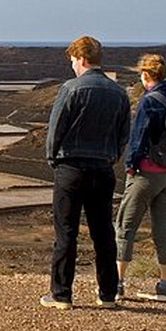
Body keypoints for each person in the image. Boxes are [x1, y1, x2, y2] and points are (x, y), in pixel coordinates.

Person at [42, 35, 130, 309]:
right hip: (103, 169)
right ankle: (108, 294)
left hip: (72, 168)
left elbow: (55, 131)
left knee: (66, 232)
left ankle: (61, 294)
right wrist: (110, 157)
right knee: (103, 232)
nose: (71, 65)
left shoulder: (71, 89)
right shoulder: (119, 92)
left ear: (80, 59)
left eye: (72, 60)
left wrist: (54, 160)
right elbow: (123, 133)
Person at [115, 54, 166, 303]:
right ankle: (165, 287)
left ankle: (118, 283)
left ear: (145, 75)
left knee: (125, 227)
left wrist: (131, 166)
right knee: (163, 230)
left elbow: (139, 138)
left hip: (146, 173)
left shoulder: (149, 101)